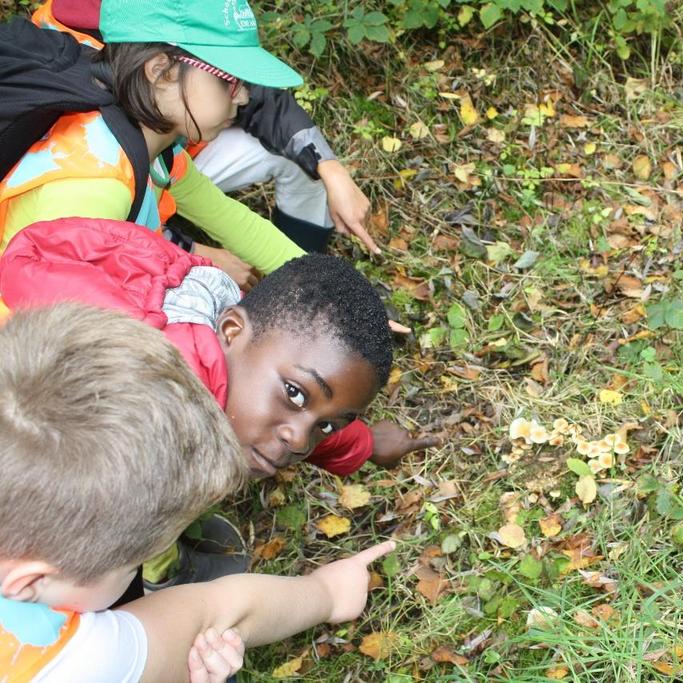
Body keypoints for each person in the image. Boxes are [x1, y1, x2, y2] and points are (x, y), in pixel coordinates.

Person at [0, 216, 437, 588]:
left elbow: (306, 414)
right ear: (230, 331)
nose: (298, 441)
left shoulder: (227, 342)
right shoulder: (147, 421)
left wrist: (364, 445)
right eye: (294, 394)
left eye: (328, 423)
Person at [0, 303, 395, 682]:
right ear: (27, 582)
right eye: (132, 565)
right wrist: (327, 592)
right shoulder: (72, 661)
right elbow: (216, 614)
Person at [32, 0, 377, 259]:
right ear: (159, 71)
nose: (244, 95)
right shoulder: (95, 183)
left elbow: (233, 220)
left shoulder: (158, 149)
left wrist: (328, 294)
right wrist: (196, 256)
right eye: (231, 83)